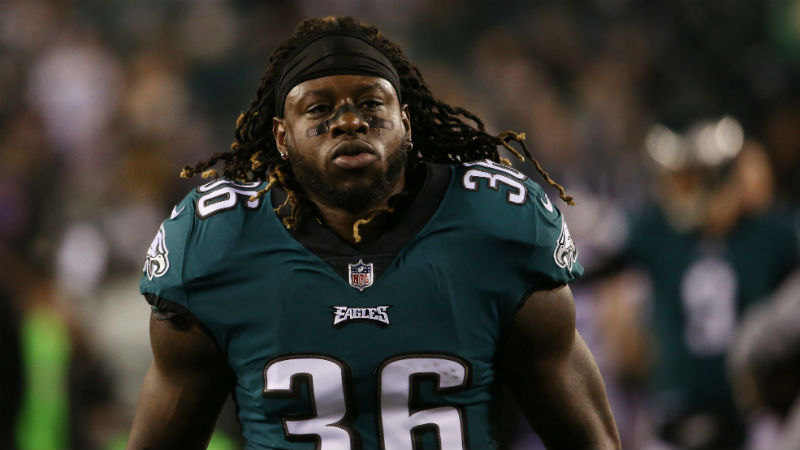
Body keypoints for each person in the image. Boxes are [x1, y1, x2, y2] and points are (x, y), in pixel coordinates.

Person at [129, 16, 620, 450]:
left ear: (405, 120)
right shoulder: (218, 242)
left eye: (370, 103)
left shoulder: (494, 225)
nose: (349, 121)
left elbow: (588, 440)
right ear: (281, 136)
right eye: (319, 109)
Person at [584, 116, 800, 449]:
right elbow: (584, 264)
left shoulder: (772, 234)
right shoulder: (655, 230)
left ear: (718, 178)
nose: (672, 191)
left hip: (752, 418)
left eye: (685, 180)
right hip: (673, 413)